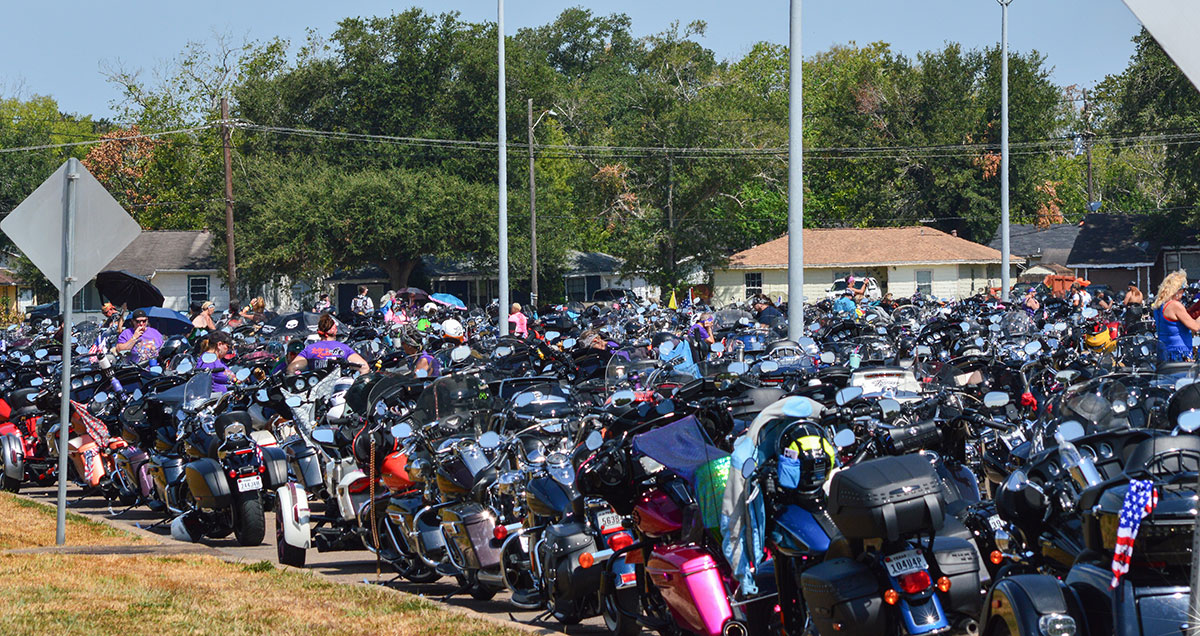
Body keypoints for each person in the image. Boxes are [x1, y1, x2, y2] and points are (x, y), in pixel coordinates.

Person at [286, 313, 370, 375]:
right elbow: (364, 367)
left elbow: (291, 368)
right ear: (335, 330)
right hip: (337, 391)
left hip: (315, 392)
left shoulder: (310, 349)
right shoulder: (343, 348)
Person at [1152, 270, 1200, 362]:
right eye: (1183, 290)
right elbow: (1196, 327)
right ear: (1177, 290)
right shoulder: (1175, 305)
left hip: (1164, 352)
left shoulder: (1159, 306)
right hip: (1178, 353)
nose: (1184, 293)